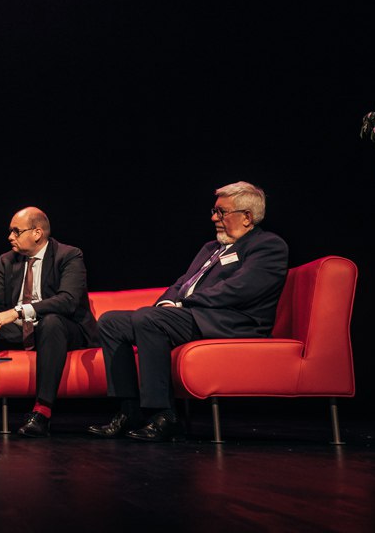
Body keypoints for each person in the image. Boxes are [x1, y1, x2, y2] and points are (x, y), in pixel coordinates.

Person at [88, 181, 289, 442]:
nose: (213, 217)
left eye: (221, 212)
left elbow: (241, 289)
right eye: (214, 211)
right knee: (111, 322)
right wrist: (167, 302)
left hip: (232, 322)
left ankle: (164, 415)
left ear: (247, 217)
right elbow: (182, 282)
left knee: (148, 319)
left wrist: (183, 303)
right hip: (197, 316)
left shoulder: (268, 246)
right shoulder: (211, 248)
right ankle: (129, 411)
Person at [0, 206, 97, 437]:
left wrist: (18, 311)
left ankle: (42, 413)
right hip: (24, 330)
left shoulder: (68, 255)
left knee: (51, 322)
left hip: (64, 330)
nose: (10, 237)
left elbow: (67, 301)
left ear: (37, 233)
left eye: (16, 232)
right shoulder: (7, 261)